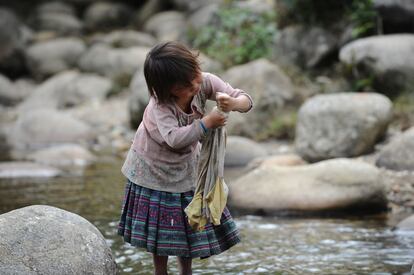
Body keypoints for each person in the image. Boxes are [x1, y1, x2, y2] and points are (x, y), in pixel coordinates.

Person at [117, 41, 253, 275]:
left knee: (186, 224)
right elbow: (174, 139)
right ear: (168, 89)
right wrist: (206, 123)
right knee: (160, 228)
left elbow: (245, 100)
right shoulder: (160, 106)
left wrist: (234, 103)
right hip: (153, 168)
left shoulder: (202, 80)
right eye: (187, 84)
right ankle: (160, 271)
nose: (196, 83)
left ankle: (185, 271)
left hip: (185, 165)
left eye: (195, 74)